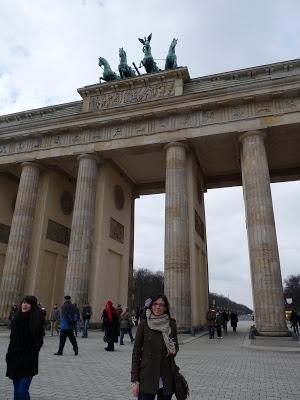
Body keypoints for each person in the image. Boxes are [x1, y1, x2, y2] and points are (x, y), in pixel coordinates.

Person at [131, 294, 179, 399]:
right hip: (147, 375)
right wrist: (135, 380)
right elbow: (136, 353)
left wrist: (174, 350)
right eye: (155, 304)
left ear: (165, 308)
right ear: (151, 306)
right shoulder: (144, 324)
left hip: (166, 376)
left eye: (161, 305)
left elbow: (176, 347)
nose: (158, 307)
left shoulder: (171, 324)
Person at [5, 295, 45, 400]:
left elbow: (38, 340)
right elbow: (12, 339)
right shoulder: (16, 319)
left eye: (27, 303)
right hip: (15, 358)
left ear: (32, 306)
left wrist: (33, 353)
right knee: (16, 392)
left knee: (22, 392)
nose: (24, 305)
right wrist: (9, 355)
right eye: (23, 302)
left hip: (28, 360)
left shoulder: (35, 320)